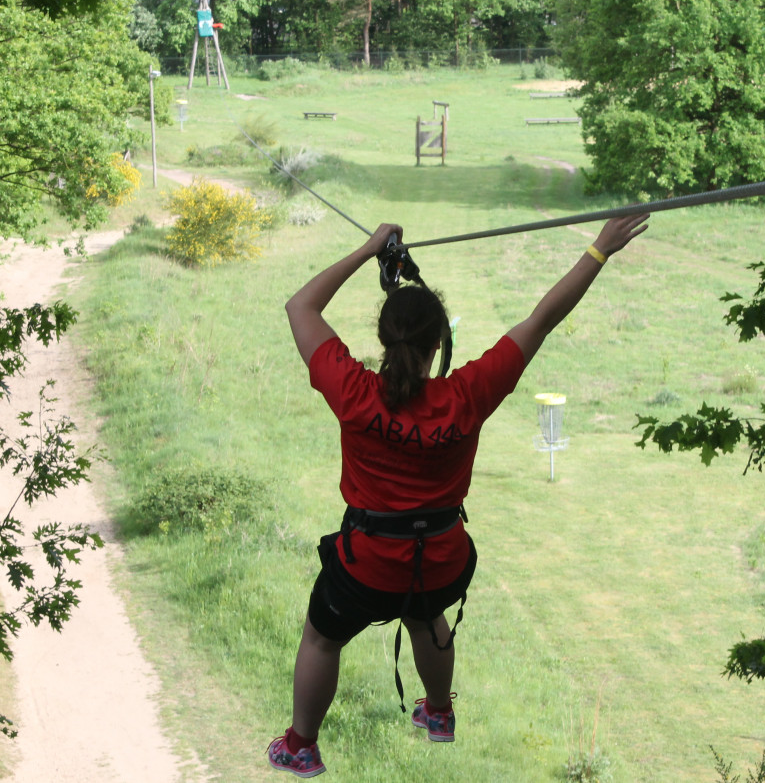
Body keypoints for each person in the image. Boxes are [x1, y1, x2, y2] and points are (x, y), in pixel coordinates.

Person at [268, 213, 648, 777]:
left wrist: (368, 247)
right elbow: (542, 320)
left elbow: (301, 307)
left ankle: (302, 745)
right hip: (441, 561)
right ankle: (439, 712)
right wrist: (599, 249)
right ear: (439, 341)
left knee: (322, 639)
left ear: (383, 339)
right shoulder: (467, 396)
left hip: (369, 564)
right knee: (426, 614)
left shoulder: (355, 393)